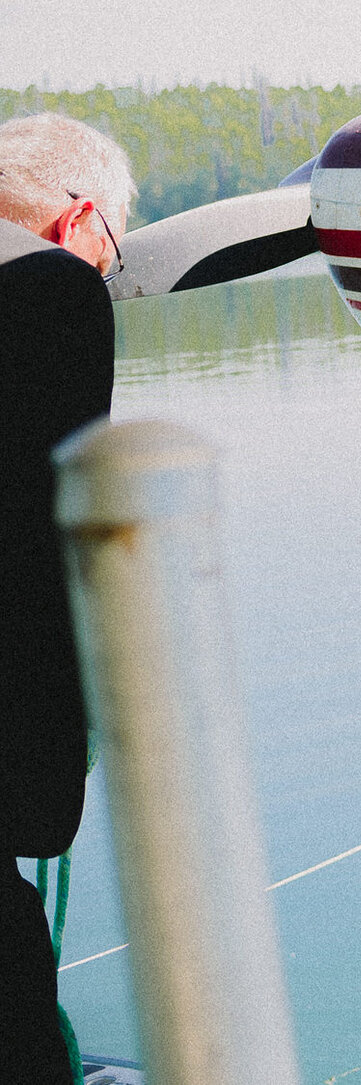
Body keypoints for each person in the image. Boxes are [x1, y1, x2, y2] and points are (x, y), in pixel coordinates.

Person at [0, 113, 132, 1085]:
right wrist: (43, 803)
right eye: (113, 259)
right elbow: (39, 567)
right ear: (80, 221)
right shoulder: (52, 292)